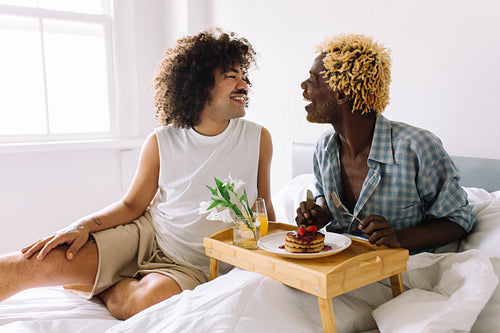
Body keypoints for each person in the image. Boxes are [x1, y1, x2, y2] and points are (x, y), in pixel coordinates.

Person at [0, 28, 275, 320]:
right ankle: (95, 273)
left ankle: (100, 284)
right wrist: (82, 225)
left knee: (147, 301)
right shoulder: (162, 141)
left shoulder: (258, 139)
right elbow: (132, 205)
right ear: (200, 84)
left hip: (193, 264)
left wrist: (284, 248)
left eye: (245, 76)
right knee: (29, 265)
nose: (244, 83)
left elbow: (264, 206)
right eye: (232, 76)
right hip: (145, 236)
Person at [296, 33, 475, 252]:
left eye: (313, 81)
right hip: (334, 266)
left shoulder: (417, 148)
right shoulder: (325, 147)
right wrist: (321, 212)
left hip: (395, 273)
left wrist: (400, 238)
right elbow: (323, 194)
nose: (303, 86)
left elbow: (459, 219)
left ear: (341, 95)